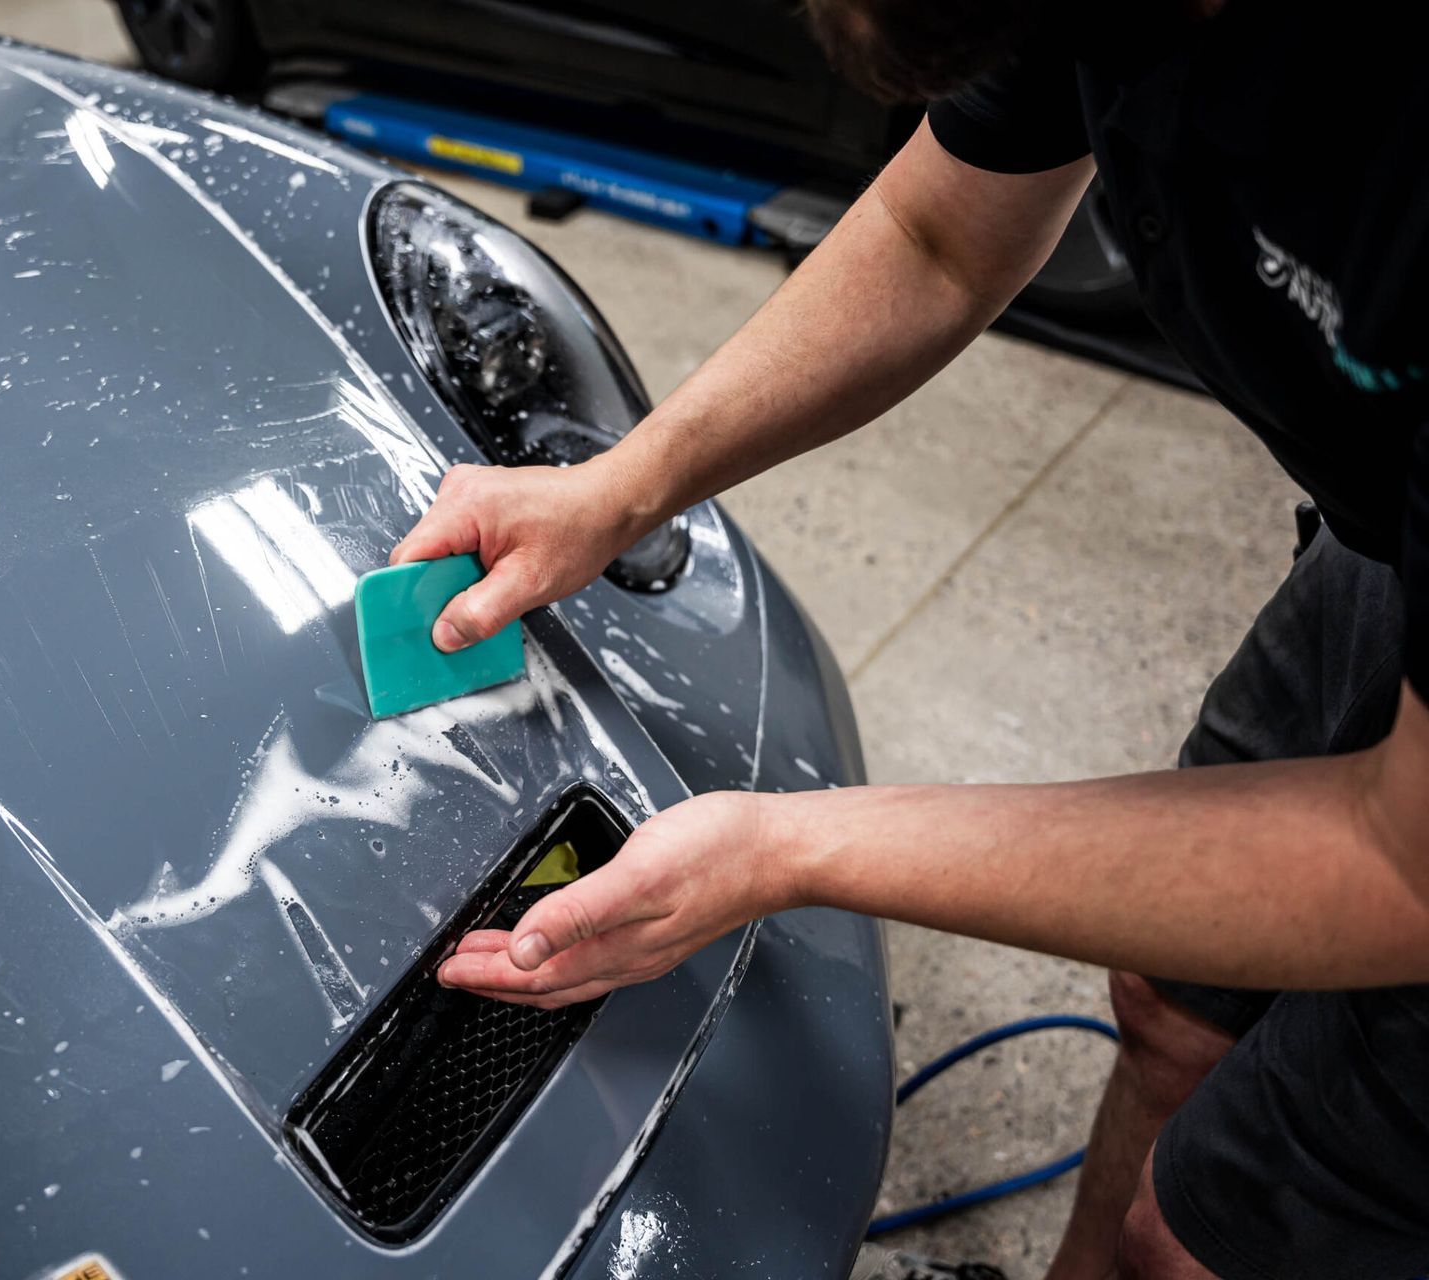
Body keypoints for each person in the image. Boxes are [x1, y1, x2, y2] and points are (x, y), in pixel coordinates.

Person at [397, 2, 1429, 1277]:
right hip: (1377, 541)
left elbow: (1402, 860)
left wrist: (784, 844)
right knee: (1171, 999)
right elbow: (938, 235)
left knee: (1195, 1238)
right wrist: (621, 485)